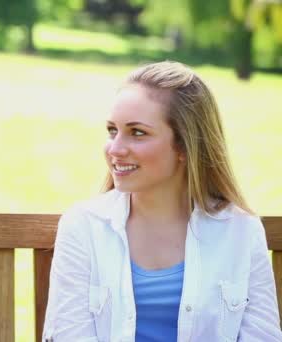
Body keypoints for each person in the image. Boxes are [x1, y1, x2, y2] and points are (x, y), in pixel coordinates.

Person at [43, 61, 282, 341]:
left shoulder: (240, 230)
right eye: (112, 130)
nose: (115, 149)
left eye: (138, 132)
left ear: (184, 145)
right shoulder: (84, 226)